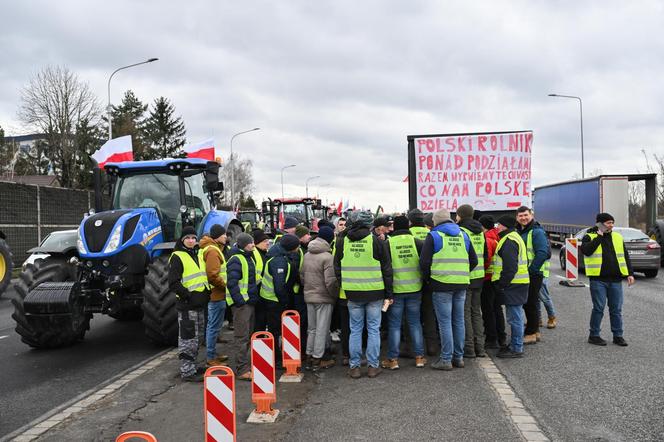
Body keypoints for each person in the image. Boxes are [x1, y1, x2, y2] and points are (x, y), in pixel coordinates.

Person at [334, 211, 393, 379]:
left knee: (355, 329)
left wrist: (344, 285)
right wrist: (389, 293)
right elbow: (387, 270)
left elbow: (336, 267)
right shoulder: (376, 241)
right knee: (373, 329)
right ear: (370, 225)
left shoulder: (342, 241)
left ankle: (354, 367)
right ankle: (373, 366)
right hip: (375, 292)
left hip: (352, 293)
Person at [420, 208, 477, 370]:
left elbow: (424, 262)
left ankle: (446, 359)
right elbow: (473, 260)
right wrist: (461, 273)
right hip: (461, 283)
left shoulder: (434, 235)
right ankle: (458, 358)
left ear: (435, 221)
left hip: (441, 283)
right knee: (458, 321)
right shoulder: (463, 235)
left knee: (445, 323)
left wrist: (429, 278)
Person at [581, 212, 634, 346]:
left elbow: (625, 256)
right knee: (598, 308)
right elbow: (587, 251)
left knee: (616, 309)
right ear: (600, 224)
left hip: (615, 280)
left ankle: (618, 335)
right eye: (608, 223)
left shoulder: (617, 237)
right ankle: (594, 335)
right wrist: (599, 237)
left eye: (612, 222)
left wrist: (630, 273)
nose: (611, 225)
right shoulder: (589, 236)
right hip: (598, 279)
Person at [381, 215, 426, 370]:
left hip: (396, 290)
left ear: (394, 228)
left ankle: (393, 360)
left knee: (394, 325)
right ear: (408, 226)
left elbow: (385, 268)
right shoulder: (417, 242)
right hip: (415, 289)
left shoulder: (388, 243)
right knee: (415, 323)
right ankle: (419, 358)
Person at [168, 226, 210, 382]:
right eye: (188, 238)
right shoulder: (177, 256)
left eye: (193, 238)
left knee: (198, 338)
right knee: (187, 339)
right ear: (182, 240)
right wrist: (187, 295)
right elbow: (173, 283)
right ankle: (187, 372)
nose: (191, 241)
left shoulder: (198, 254)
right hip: (188, 306)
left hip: (200, 304)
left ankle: (193, 365)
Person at [255, 234, 299, 361]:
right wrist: (284, 301)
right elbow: (279, 286)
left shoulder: (281, 256)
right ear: (292, 247)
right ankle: (275, 357)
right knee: (274, 330)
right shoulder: (279, 261)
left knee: (274, 329)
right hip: (273, 300)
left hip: (271, 299)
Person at [493, 216, 530, 358]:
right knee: (516, 316)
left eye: (499, 225)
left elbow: (510, 267)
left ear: (503, 226)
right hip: (517, 283)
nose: (497, 227)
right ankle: (515, 344)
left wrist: (502, 284)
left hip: (513, 284)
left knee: (514, 318)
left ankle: (516, 348)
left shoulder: (509, 241)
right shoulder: (514, 237)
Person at [302, 226, 338, 371]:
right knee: (322, 329)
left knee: (312, 329)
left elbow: (302, 276)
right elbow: (330, 282)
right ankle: (318, 359)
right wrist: (334, 295)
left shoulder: (306, 255)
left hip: (309, 296)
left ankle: (310, 356)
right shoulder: (328, 257)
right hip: (324, 297)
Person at [226, 233, 259, 380]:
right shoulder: (237, 259)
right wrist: (240, 301)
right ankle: (242, 370)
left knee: (246, 336)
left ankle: (246, 366)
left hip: (248, 303)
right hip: (242, 305)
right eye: (250, 243)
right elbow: (232, 283)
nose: (253, 245)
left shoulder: (247, 256)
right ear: (243, 244)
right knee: (242, 337)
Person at [516, 206, 550, 345]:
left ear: (531, 215)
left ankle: (530, 333)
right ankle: (535, 330)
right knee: (531, 303)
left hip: (533, 273)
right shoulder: (523, 230)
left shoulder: (536, 232)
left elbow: (542, 253)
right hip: (528, 273)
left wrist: (530, 271)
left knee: (530, 303)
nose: (523, 218)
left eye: (525, 215)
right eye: (520, 216)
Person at [456, 204, 486, 358]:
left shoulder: (462, 232)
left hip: (467, 277)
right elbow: (485, 254)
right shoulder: (480, 232)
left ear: (460, 216)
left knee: (465, 314)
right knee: (476, 312)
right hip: (479, 277)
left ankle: (469, 348)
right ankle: (480, 347)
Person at [200, 224, 229, 367]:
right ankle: (211, 358)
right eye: (224, 235)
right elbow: (212, 275)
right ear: (218, 236)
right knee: (214, 327)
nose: (226, 237)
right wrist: (226, 286)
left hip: (214, 294)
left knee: (214, 326)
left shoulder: (210, 248)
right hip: (216, 294)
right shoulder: (212, 251)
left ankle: (213, 354)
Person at [479, 215, 506, 349]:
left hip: (487, 278)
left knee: (488, 309)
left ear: (483, 226)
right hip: (496, 277)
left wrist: (479, 271)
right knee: (497, 308)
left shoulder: (488, 239)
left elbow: (486, 260)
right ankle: (501, 336)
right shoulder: (498, 236)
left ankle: (492, 338)